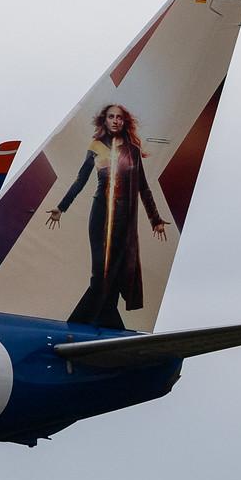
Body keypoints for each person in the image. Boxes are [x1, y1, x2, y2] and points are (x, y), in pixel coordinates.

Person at [44, 102, 171, 330]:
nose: (115, 120)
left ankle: (108, 335)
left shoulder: (132, 151)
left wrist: (155, 219)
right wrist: (61, 207)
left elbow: (143, 186)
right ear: (105, 120)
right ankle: (77, 329)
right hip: (101, 215)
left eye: (119, 118)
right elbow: (80, 179)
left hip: (125, 220)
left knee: (112, 282)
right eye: (111, 117)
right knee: (100, 278)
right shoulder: (96, 146)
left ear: (124, 122)